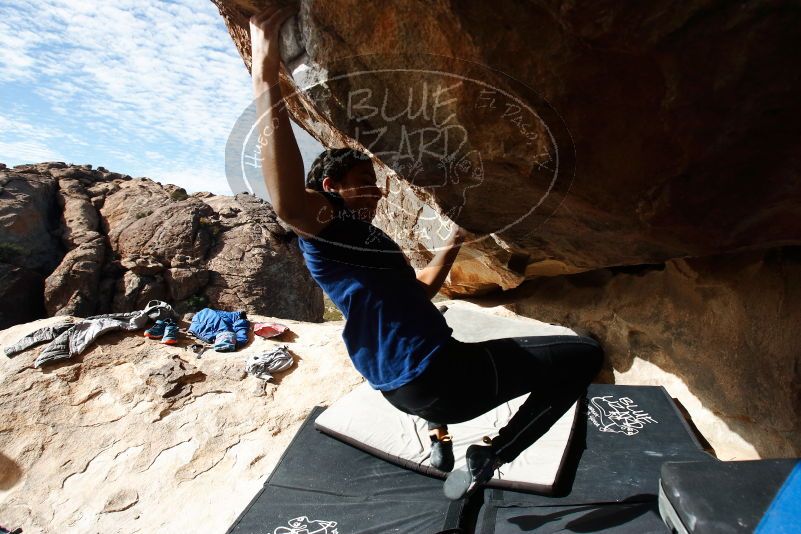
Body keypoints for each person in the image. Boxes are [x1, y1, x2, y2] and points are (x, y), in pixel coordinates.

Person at [248, 5, 604, 499]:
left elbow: (419, 289)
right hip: (440, 379)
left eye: (376, 183)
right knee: (582, 356)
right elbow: (288, 201)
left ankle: (440, 438)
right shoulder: (330, 227)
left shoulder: (361, 240)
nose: (378, 193)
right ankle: (493, 453)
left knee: (438, 327)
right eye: (364, 185)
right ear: (331, 188)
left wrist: (451, 244)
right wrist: (265, 74)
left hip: (403, 389)